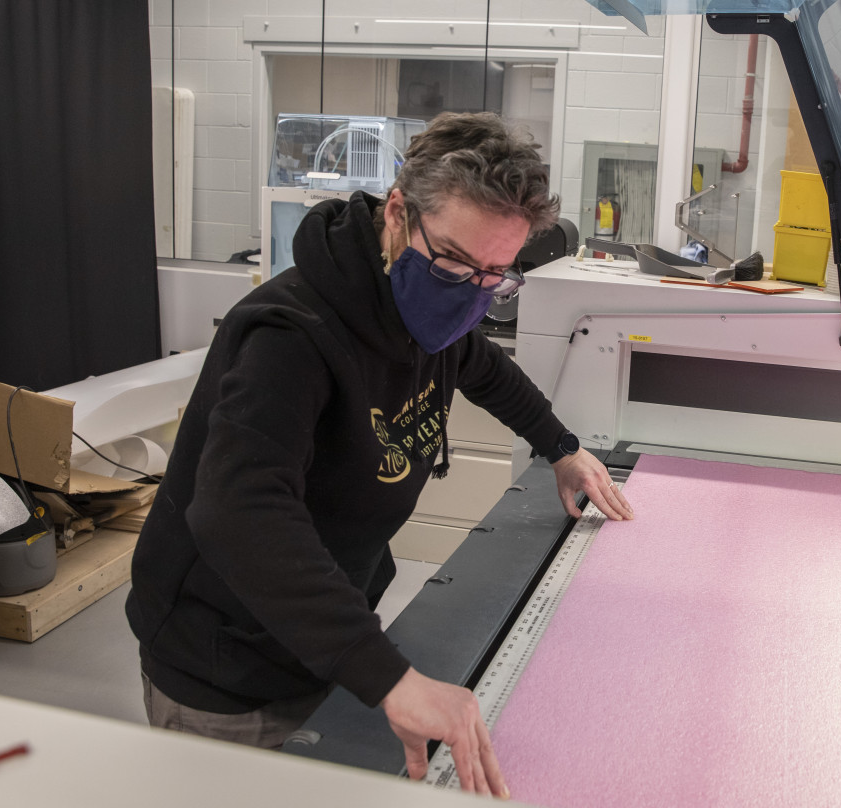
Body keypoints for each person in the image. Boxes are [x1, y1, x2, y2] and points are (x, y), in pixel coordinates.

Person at [125, 112, 635, 798]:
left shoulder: (431, 312)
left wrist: (562, 449)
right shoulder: (290, 334)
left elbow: (481, 366)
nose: (471, 293)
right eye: (454, 261)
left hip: (325, 637)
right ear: (398, 213)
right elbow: (237, 510)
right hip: (227, 666)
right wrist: (388, 676)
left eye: (496, 275)